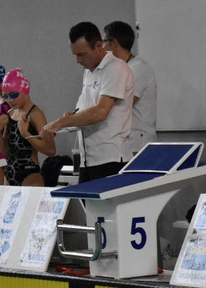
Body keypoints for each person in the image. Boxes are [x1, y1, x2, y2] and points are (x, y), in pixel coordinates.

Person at [41, 22, 135, 182]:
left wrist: (61, 122)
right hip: (87, 160)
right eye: (75, 55)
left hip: (110, 159)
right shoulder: (89, 71)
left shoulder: (115, 68)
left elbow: (100, 112)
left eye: (82, 55)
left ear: (98, 46)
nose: (78, 60)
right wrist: (72, 117)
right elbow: (87, 108)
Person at [103, 21, 157, 156]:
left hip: (139, 145)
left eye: (104, 42)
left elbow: (123, 104)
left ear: (114, 43)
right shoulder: (116, 68)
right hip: (123, 143)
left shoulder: (138, 68)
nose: (102, 48)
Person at [0, 69, 55, 186]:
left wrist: (26, 134)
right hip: (9, 174)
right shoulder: (10, 113)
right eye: (5, 96)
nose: (9, 100)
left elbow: (51, 150)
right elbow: (6, 151)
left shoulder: (35, 114)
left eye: (13, 95)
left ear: (24, 90)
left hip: (29, 174)